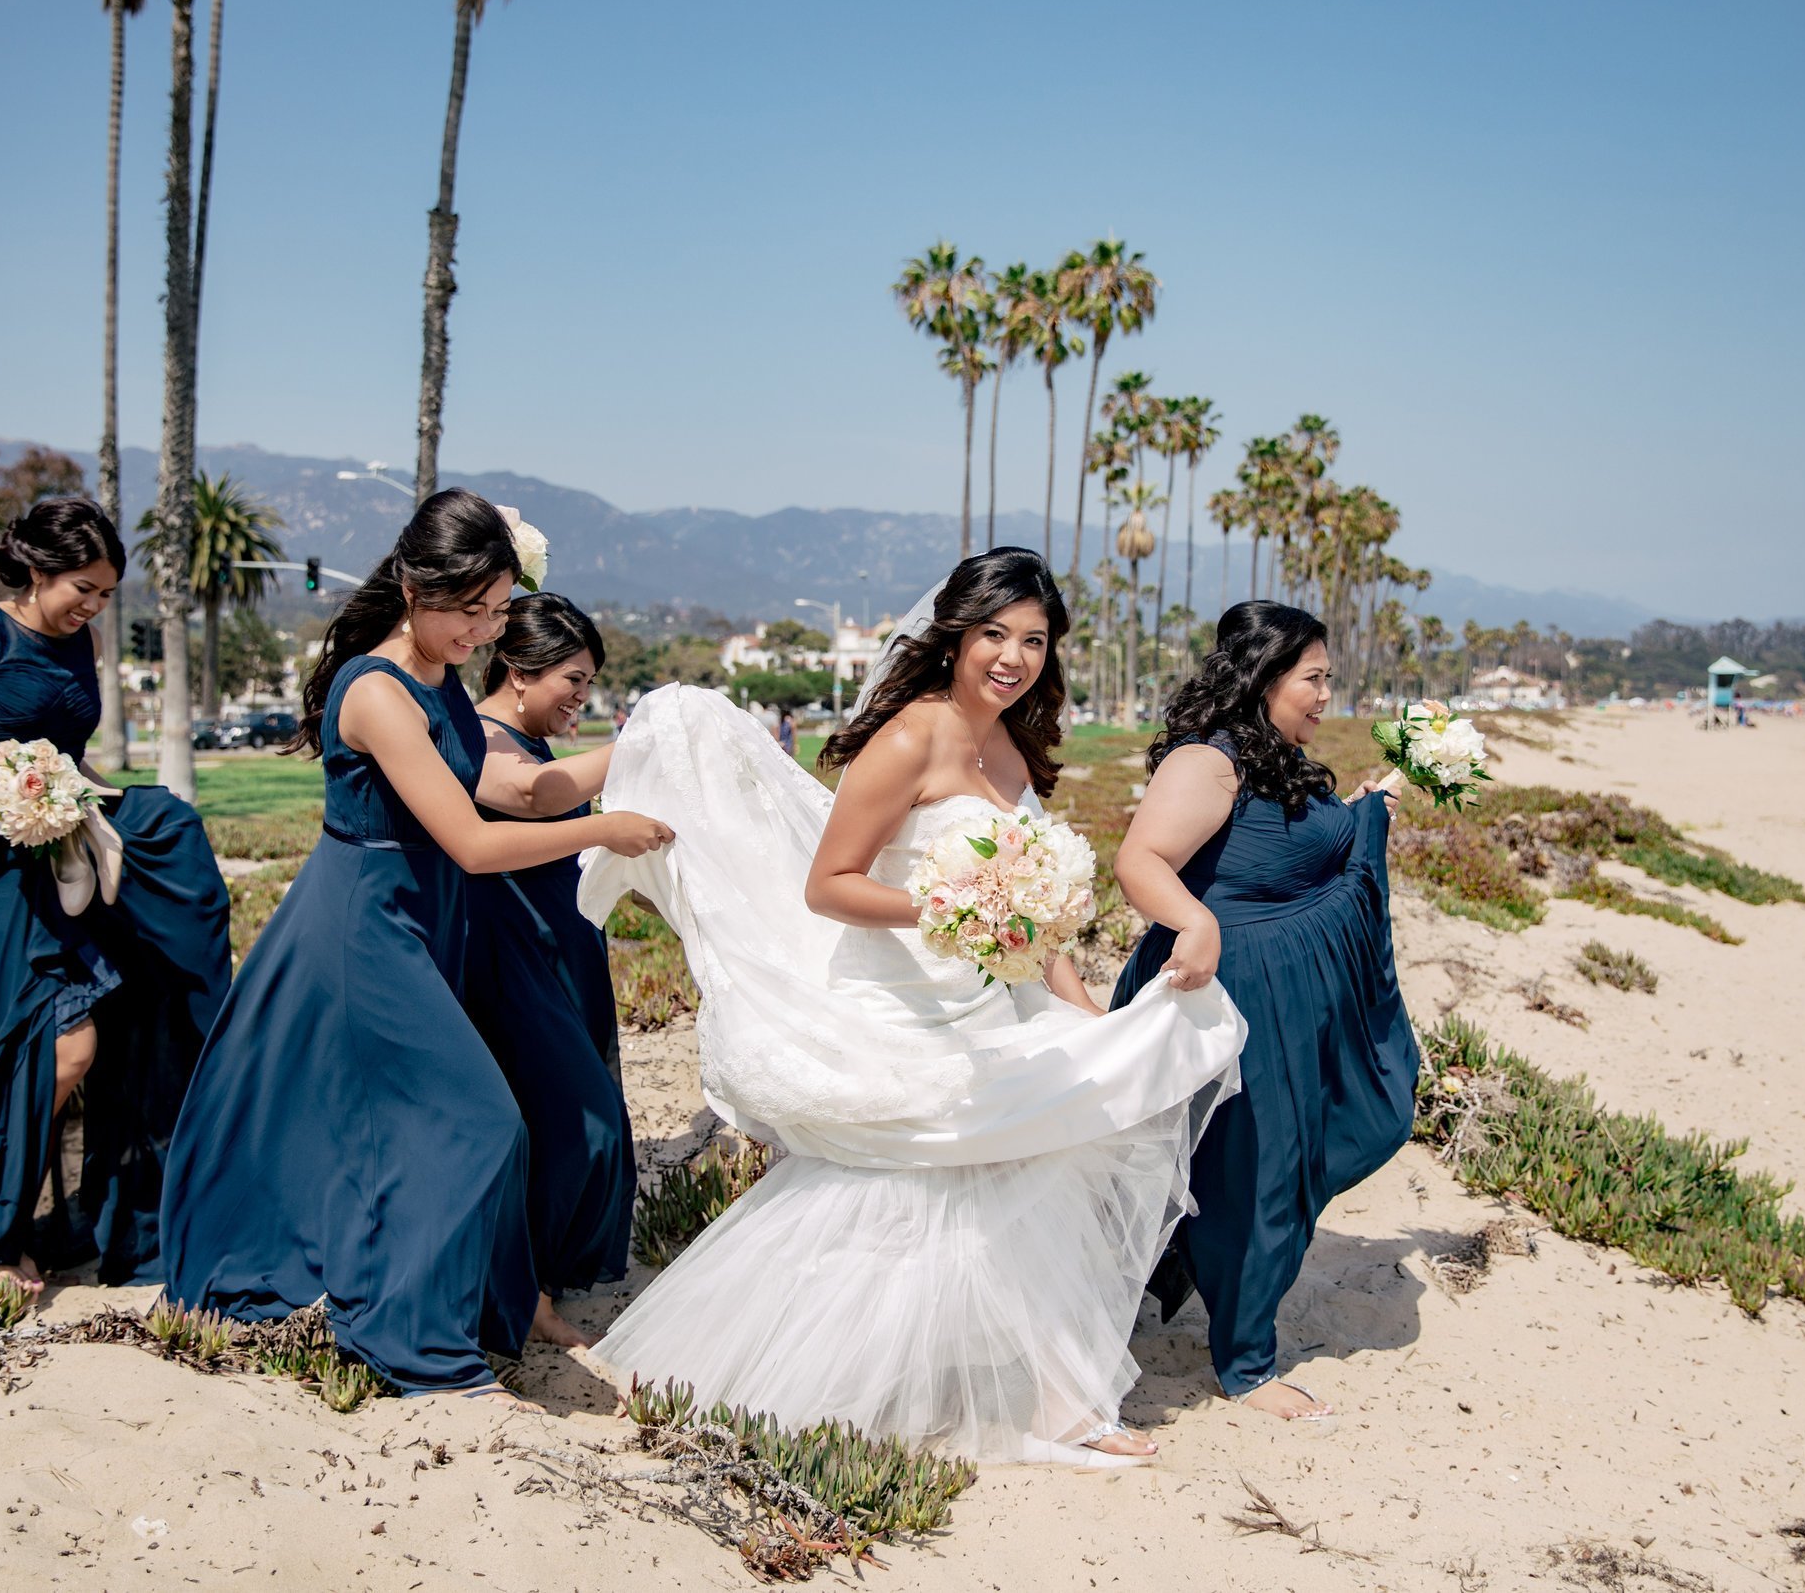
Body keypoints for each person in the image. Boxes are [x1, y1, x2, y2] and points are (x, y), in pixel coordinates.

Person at [579, 548, 1246, 1464]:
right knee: (899, 1196)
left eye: (1034, 640)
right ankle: (789, 1380)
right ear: (955, 635)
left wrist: (1086, 1011)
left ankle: (1054, 1397)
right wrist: (952, 911)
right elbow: (831, 884)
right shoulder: (907, 738)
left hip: (992, 1006)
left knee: (1033, 1166)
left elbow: (1034, 924)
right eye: (995, 635)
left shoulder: (1014, 746)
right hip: (901, 1002)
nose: (1013, 657)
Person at [161, 491, 673, 1393]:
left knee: (405, 1119)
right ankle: (412, 1333)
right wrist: (603, 830)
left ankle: (486, 1302)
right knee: (481, 1119)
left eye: (497, 610)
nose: (483, 630)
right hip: (368, 924)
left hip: (425, 917)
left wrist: (655, 755)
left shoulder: (438, 680)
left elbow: (511, 791)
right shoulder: (375, 691)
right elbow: (474, 845)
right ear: (411, 585)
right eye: (468, 610)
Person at [0, 498, 231, 1290]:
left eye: (104, 592)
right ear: (36, 569)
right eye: (82, 587)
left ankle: (6, 1219)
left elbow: (71, 757)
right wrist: (12, 771)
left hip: (55, 852)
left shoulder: (82, 642)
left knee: (66, 1042)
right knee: (53, 1048)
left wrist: (107, 799)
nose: (92, 606)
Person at [1109, 601, 1418, 1422]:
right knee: (1254, 1178)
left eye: (1327, 679)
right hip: (1222, 1003)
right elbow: (1139, 859)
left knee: (1265, 1168)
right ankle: (1245, 1364)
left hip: (1281, 1006)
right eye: (1314, 678)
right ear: (1266, 675)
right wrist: (1198, 920)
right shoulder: (1209, 760)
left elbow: (1286, 857)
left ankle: (1209, 1306)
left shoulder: (1277, 757)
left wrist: (1363, 816)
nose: (1325, 694)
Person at [464, 593, 636, 1317]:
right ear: (517, 668)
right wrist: (649, 743)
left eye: (590, 682)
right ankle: (521, 1291)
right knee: (575, 1118)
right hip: (513, 958)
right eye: (573, 677)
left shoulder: (532, 742)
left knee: (568, 1118)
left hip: (564, 955)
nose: (582, 697)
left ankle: (534, 1287)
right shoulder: (477, 737)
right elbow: (535, 798)